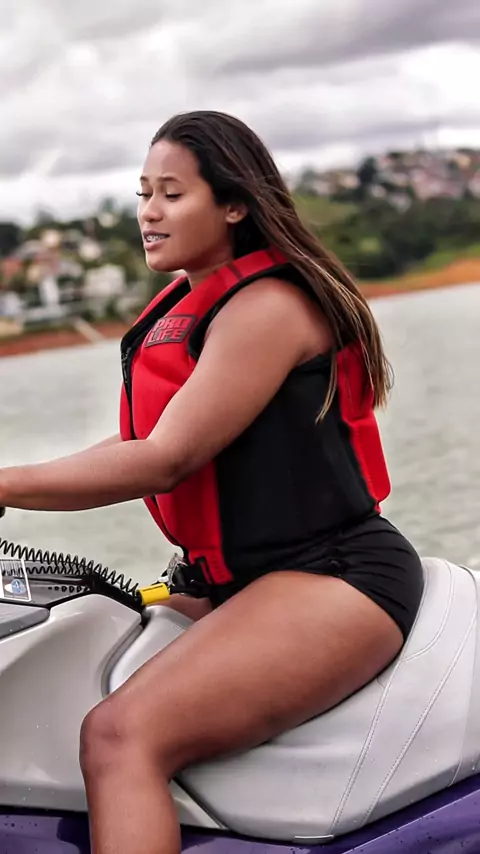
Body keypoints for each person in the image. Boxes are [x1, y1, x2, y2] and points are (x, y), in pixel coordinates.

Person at [0, 111, 424, 854]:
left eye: (172, 194)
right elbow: (141, 443)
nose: (149, 213)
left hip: (333, 576)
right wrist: (18, 482)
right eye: (143, 194)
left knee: (119, 736)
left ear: (233, 204)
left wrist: (7, 485)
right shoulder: (186, 305)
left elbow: (168, 457)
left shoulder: (268, 307)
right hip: (230, 580)